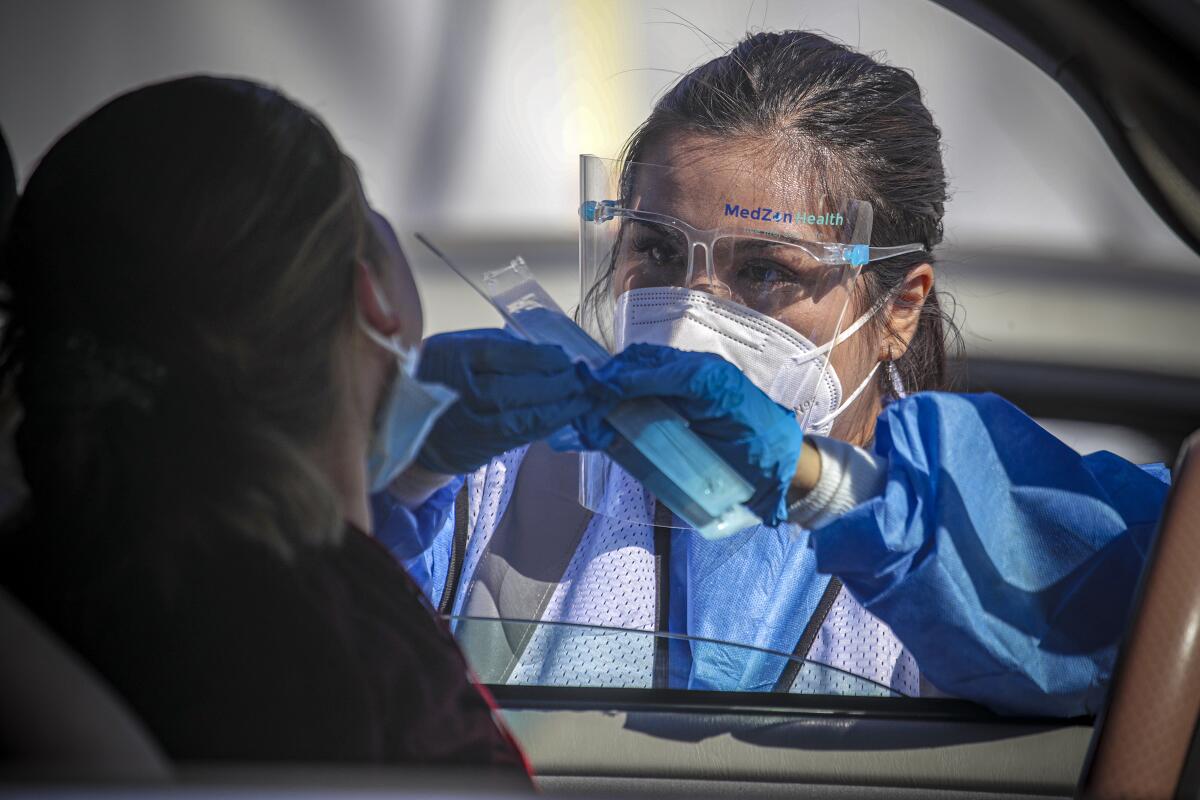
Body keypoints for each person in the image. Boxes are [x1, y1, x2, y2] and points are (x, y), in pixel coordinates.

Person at [375, 31, 1171, 717]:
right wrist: (391, 469)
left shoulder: (949, 538)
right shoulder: (489, 498)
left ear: (899, 307)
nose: (687, 322)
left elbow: (1139, 609)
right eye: (654, 250)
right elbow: (294, 640)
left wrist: (821, 486)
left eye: (765, 272)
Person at [0, 75, 558, 776]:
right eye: (374, 220)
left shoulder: (42, 581)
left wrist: (405, 488)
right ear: (372, 300)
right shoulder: (342, 658)